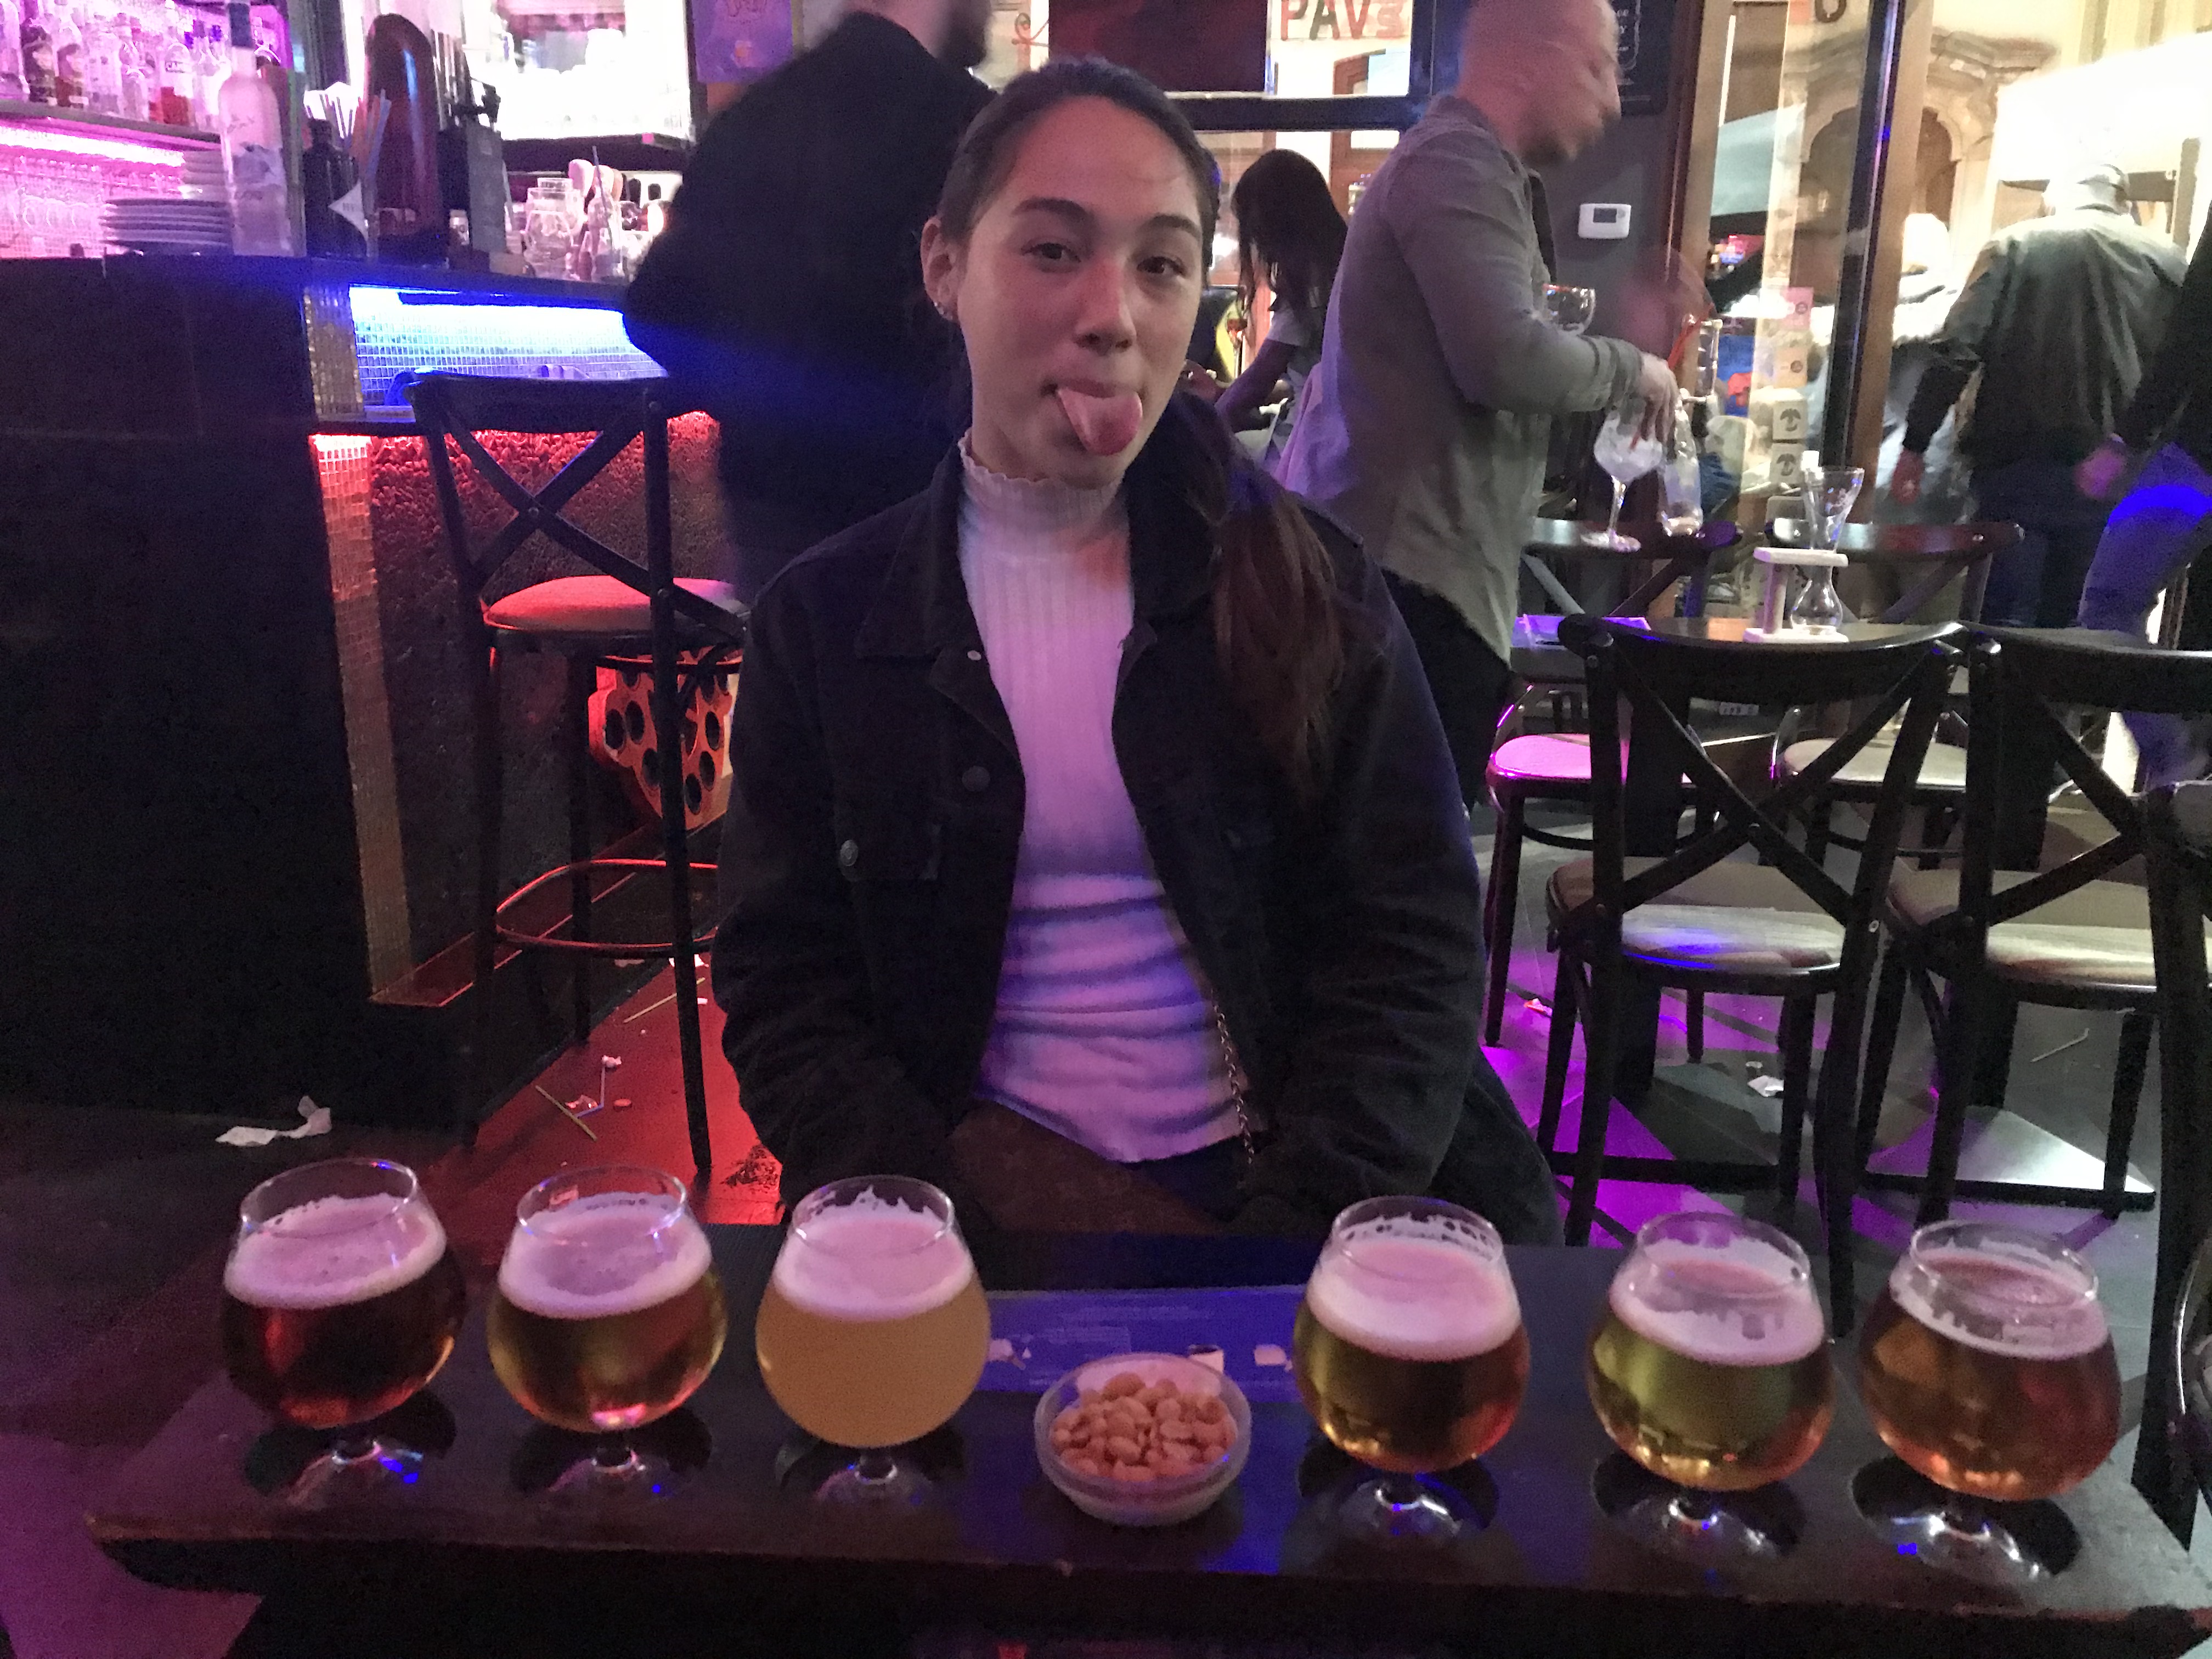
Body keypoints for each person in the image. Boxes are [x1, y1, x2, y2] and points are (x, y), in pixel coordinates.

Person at [712, 60, 1560, 1245]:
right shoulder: (826, 621)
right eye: (1054, 250)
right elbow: (784, 981)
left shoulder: (1311, 583)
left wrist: (1284, 1242)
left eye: (1160, 264)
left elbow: (1411, 947)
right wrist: (924, 1214)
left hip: (1283, 1203)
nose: (1112, 313)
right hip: (958, 1215)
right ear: (945, 266)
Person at [1278, 0, 1676, 807]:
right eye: (1600, 67)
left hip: (1400, 575)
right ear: (1530, 59)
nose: (1611, 101)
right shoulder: (1457, 161)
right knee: (1400, 857)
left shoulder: (1470, 167)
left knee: (1385, 846)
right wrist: (1633, 367)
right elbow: (1505, 360)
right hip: (1405, 581)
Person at [623, 0, 994, 602]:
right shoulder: (979, 134)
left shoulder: (756, 118)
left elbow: (655, 311)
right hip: (939, 518)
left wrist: (764, 404)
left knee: (794, 662)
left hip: (776, 527)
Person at [1892, 162, 2185, 626]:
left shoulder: (2014, 245)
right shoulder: (2167, 259)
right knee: (2081, 619)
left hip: (2015, 463)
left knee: (2003, 619)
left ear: (2053, 198)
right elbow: (2183, 366)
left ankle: (2004, 675)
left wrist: (1915, 445)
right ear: (2122, 203)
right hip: (2115, 467)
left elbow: (1957, 352)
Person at [2073, 227, 2212, 785]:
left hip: (2199, 459)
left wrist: (2125, 439)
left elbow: (2192, 333)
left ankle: (2174, 757)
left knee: (2109, 604)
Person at [1183, 148, 1346, 471]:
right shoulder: (1337, 267)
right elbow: (1299, 381)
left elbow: (1258, 383)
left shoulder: (1311, 283)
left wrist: (1200, 439)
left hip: (1307, 454)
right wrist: (1221, 392)